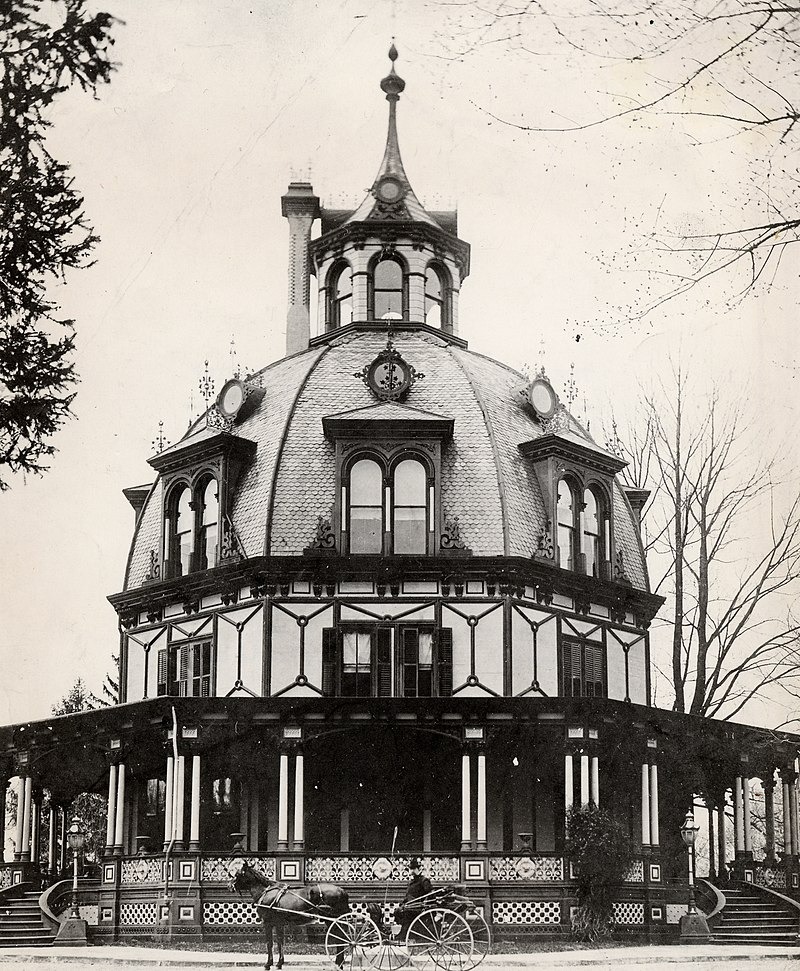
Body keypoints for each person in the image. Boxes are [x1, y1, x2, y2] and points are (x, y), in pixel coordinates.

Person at [397, 858, 433, 938]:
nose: (412, 871)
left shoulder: (424, 881)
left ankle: (404, 934)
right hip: (410, 905)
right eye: (411, 869)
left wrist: (424, 904)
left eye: (413, 869)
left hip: (417, 907)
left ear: (419, 869)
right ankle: (403, 932)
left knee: (406, 914)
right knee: (398, 911)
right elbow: (408, 895)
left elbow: (430, 894)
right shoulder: (412, 882)